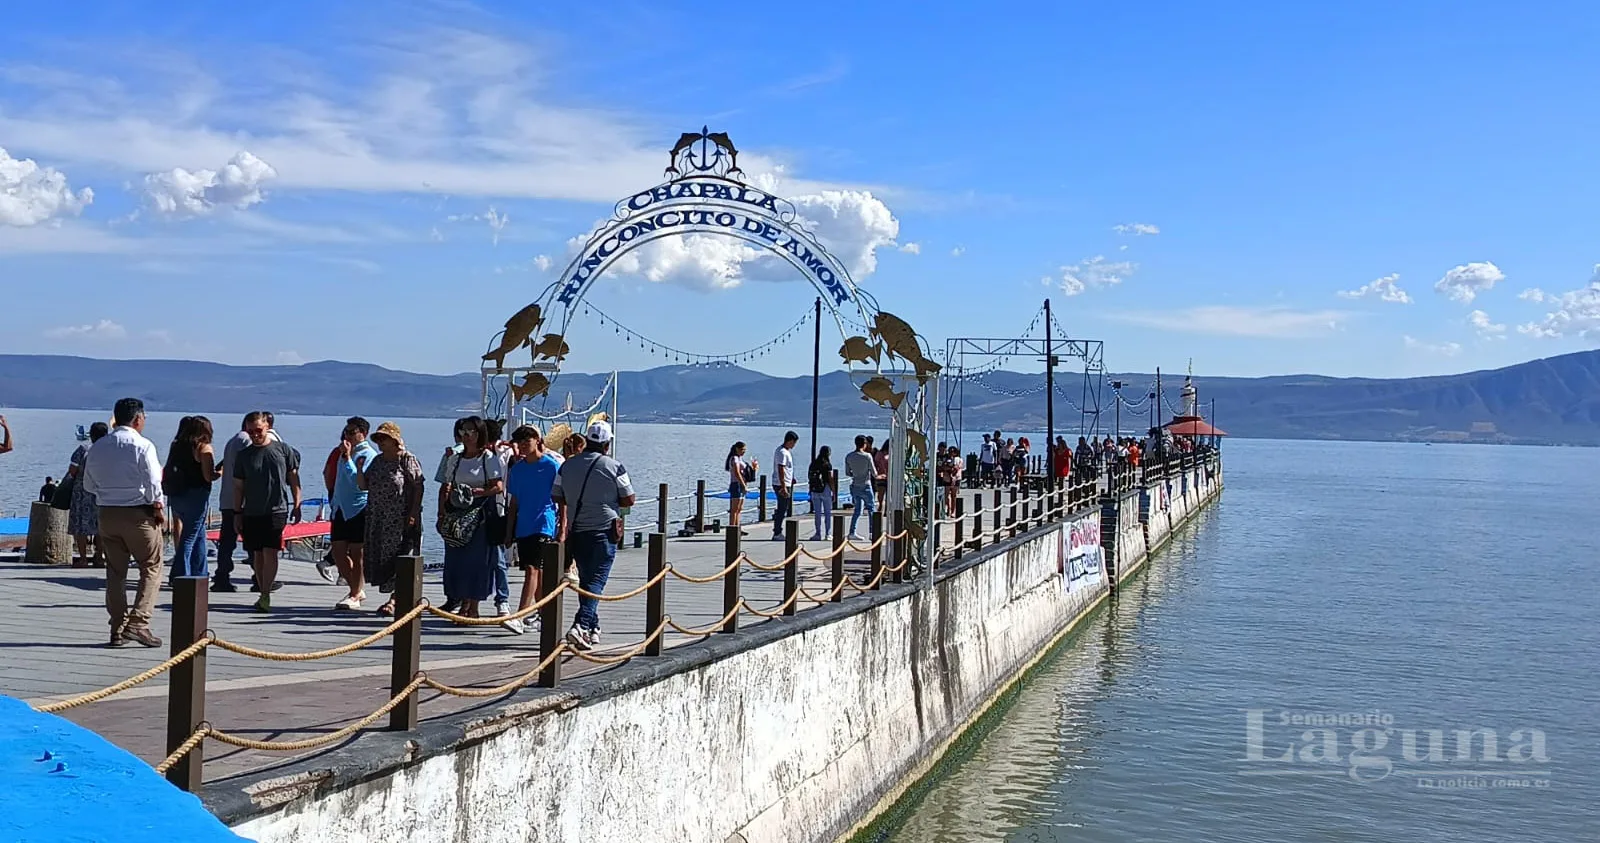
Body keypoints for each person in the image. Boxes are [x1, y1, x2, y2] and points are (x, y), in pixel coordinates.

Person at [81, 398, 165, 648]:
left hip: (107, 512)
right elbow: (153, 481)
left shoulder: (97, 447)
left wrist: (106, 493)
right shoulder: (143, 445)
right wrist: (157, 505)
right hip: (138, 512)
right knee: (150, 566)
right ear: (138, 419)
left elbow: (88, 484)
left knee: (115, 572)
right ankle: (138, 623)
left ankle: (117, 627)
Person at [552, 420, 635, 651]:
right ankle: (580, 625)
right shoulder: (615, 466)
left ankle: (592, 628)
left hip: (576, 530)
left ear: (587, 440)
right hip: (604, 530)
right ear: (607, 444)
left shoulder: (566, 466)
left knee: (588, 580)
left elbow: (557, 495)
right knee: (597, 580)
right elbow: (629, 499)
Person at [233, 411, 303, 613]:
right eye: (250, 431)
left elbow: (294, 479)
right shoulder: (243, 456)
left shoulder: (282, 450)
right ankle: (263, 588)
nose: (254, 435)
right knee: (257, 554)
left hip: (277, 509)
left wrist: (297, 504)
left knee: (270, 551)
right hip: (251, 511)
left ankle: (265, 594)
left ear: (267, 428)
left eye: (258, 430)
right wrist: (237, 513)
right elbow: (239, 487)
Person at [435, 415, 504, 618]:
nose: (466, 436)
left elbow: (497, 486)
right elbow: (446, 486)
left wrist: (478, 492)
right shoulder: (454, 459)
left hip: (479, 514)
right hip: (457, 514)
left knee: (477, 561)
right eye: (463, 432)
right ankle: (461, 601)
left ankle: (473, 607)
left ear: (479, 434)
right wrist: (441, 513)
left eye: (471, 432)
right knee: (457, 560)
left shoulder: (487, 458)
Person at [502, 425, 564, 635]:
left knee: (532, 569)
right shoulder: (517, 469)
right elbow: (514, 502)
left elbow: (561, 498)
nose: (522, 446)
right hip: (524, 525)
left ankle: (520, 615)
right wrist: (509, 531)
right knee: (537, 573)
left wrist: (562, 527)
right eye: (519, 443)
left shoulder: (551, 466)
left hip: (544, 522)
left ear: (537, 441)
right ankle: (547, 616)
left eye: (526, 442)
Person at [359, 422, 424, 616]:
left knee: (400, 557)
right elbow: (364, 486)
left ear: (394, 440)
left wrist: (413, 513)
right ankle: (394, 598)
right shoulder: (378, 461)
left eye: (384, 439)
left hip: (399, 519)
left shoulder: (406, 459)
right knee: (383, 557)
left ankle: (395, 600)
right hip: (378, 517)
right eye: (378, 439)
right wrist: (360, 469)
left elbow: (418, 486)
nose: (380, 443)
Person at [322, 417, 378, 611]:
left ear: (363, 433)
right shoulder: (342, 452)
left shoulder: (367, 454)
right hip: (340, 508)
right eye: (346, 431)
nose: (347, 435)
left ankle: (355, 593)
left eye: (352, 432)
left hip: (358, 508)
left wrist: (347, 460)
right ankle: (356, 588)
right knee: (338, 553)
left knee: (357, 553)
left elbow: (359, 482)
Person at [162, 415, 221, 581]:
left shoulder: (177, 446)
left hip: (177, 494)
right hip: (196, 495)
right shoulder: (204, 448)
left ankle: (200, 573)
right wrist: (221, 472)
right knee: (189, 536)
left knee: (200, 533)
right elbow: (208, 476)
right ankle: (179, 575)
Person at [66, 422, 110, 568]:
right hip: (103, 492)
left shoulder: (83, 449)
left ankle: (83, 558)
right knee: (101, 526)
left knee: (81, 526)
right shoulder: (110, 451)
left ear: (91, 434)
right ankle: (99, 557)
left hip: (82, 492)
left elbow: (72, 470)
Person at [844, 435, 878, 541]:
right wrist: (879, 476)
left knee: (857, 510)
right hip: (866, 485)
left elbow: (848, 473)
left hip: (855, 485)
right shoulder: (867, 456)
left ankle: (852, 532)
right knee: (871, 509)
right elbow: (874, 472)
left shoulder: (849, 456)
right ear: (864, 444)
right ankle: (872, 532)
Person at [770, 431, 798, 541]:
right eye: (794, 443)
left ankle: (778, 530)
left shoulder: (786, 452)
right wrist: (783, 486)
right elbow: (781, 469)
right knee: (782, 508)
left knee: (783, 507)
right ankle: (777, 532)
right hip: (781, 483)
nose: (794, 445)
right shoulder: (781, 452)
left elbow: (787, 468)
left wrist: (791, 479)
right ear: (790, 441)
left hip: (786, 482)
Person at [725, 442, 755, 535]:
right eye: (742, 449)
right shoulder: (734, 458)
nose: (743, 452)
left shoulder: (740, 459)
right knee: (734, 509)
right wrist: (743, 485)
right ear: (737, 449)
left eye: (745, 450)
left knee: (739, 508)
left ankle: (737, 528)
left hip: (742, 484)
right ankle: (732, 529)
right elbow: (737, 473)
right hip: (736, 484)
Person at [807, 445, 834, 542]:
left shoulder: (813, 463)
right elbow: (830, 479)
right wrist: (834, 491)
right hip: (825, 489)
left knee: (817, 513)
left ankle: (818, 533)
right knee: (827, 512)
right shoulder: (827, 464)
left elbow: (810, 477)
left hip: (815, 490)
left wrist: (810, 489)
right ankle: (828, 533)